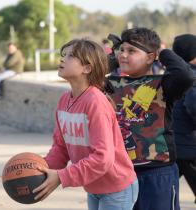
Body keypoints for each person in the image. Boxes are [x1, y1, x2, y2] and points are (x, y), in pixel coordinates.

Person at [33, 38, 138, 210]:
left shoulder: (96, 102)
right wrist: (40, 169)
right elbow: (61, 148)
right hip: (93, 186)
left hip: (117, 188)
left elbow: (102, 158)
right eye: (63, 54)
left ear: (87, 68)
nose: (62, 59)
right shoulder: (64, 100)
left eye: (71, 56)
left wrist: (62, 177)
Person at [105, 28, 195, 210]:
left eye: (132, 51)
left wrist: (162, 53)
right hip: (120, 172)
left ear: (150, 57)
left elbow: (185, 75)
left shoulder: (163, 84)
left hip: (157, 172)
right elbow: (89, 74)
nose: (124, 55)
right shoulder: (110, 84)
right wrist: (116, 59)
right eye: (121, 50)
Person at [172, 34, 196, 205]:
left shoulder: (174, 74)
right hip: (190, 146)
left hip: (173, 145)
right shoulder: (192, 76)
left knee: (167, 193)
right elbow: (193, 105)